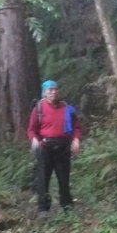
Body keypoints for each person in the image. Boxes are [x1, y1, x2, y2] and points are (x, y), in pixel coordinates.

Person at [27, 80, 81, 213]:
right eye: (50, 90)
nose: (54, 92)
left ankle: (67, 206)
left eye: (55, 89)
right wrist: (34, 140)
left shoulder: (66, 108)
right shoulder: (38, 109)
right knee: (43, 179)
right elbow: (31, 129)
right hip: (45, 148)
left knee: (64, 178)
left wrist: (76, 140)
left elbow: (76, 127)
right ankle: (43, 208)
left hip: (63, 147)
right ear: (44, 93)